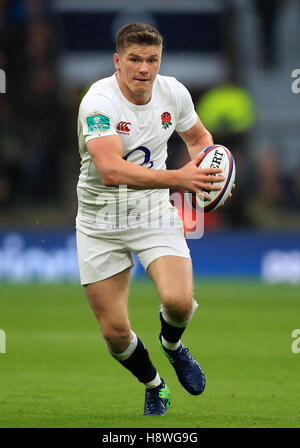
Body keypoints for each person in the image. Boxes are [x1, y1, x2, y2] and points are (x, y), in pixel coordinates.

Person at [76, 22, 228, 416]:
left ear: (159, 60)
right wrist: (179, 178)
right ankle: (153, 384)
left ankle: (173, 346)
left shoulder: (173, 92)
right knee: (114, 333)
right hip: (99, 218)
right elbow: (110, 170)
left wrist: (208, 175)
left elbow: (199, 139)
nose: (144, 68)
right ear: (117, 61)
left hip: (152, 212)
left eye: (152, 59)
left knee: (178, 302)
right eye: (135, 59)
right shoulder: (98, 102)